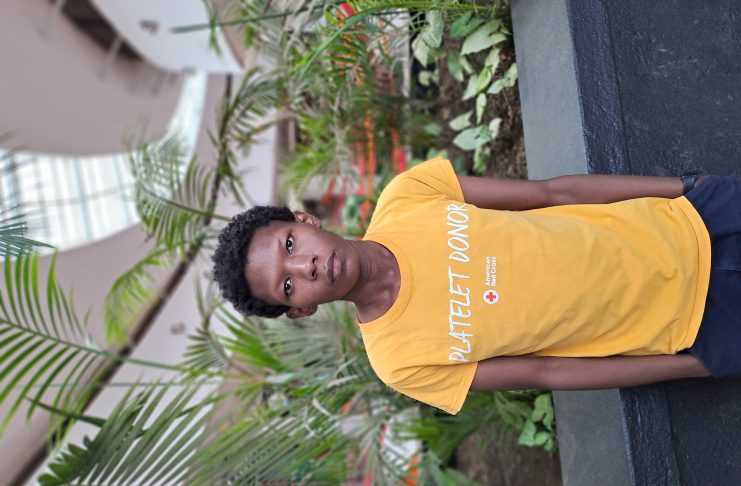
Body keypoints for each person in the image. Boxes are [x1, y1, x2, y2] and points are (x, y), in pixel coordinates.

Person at [213, 157, 741, 414]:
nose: (304, 267)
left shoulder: (408, 194)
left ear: (304, 220)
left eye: (289, 244)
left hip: (692, 221)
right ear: (300, 311)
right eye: (287, 287)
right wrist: (695, 364)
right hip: (697, 325)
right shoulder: (400, 362)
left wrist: (684, 188)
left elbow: (552, 193)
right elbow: (549, 371)